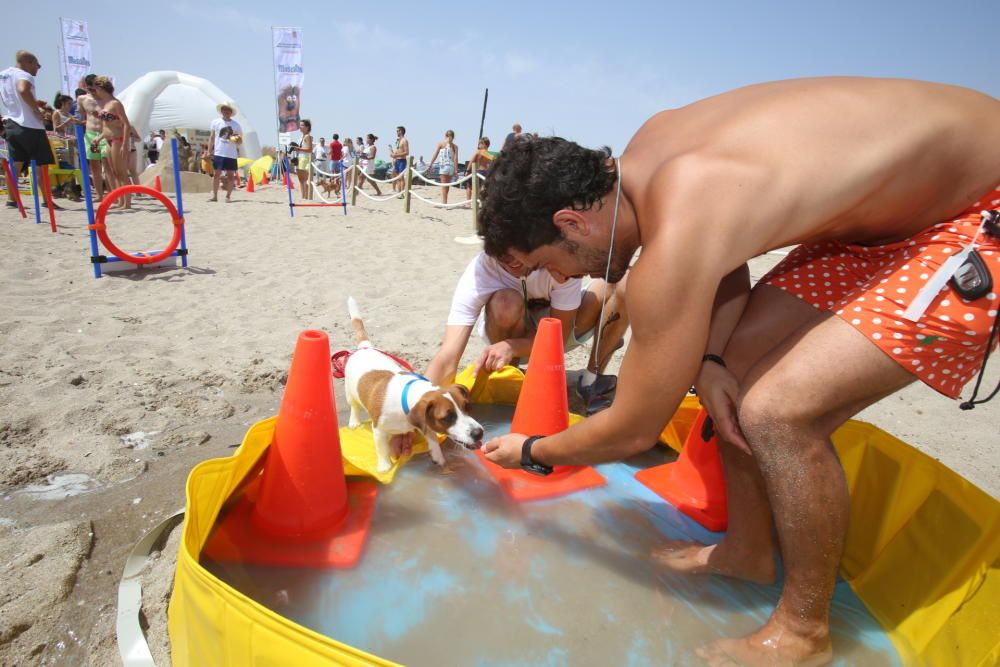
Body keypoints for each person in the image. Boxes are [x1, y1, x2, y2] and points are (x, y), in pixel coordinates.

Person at [476, 77, 1000, 666]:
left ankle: (805, 633)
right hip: (885, 227)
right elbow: (719, 252)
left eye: (555, 264)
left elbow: (633, 429)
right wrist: (714, 359)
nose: (568, 282)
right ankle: (748, 552)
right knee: (732, 379)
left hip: (981, 212)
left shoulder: (678, 235)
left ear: (572, 221)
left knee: (778, 413)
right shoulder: (650, 157)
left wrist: (534, 451)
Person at [426, 250, 629, 416]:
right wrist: (418, 403)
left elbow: (556, 339)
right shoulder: (480, 270)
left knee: (622, 282)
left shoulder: (558, 258)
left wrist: (512, 346)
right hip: (507, 334)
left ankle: (591, 381)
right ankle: (509, 378)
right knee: (505, 303)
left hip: (558, 332)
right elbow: (448, 355)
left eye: (517, 250)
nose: (513, 261)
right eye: (502, 253)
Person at [0, 51, 60, 209]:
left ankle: (12, 200)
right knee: (42, 165)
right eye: (37, 65)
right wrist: (36, 110)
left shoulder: (4, 75)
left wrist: (32, 103)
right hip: (30, 126)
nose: (38, 68)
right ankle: (47, 200)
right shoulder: (24, 76)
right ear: (28, 62)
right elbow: (22, 90)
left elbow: (15, 95)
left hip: (12, 123)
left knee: (15, 165)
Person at [89, 75, 133, 209]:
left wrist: (125, 144)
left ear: (101, 88)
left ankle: (127, 202)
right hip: (108, 139)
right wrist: (99, 137)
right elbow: (107, 127)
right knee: (114, 173)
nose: (95, 92)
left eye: (96, 89)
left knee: (121, 172)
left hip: (117, 140)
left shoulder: (115, 103)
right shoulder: (106, 104)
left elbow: (126, 124)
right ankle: (121, 200)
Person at [76, 74, 106, 201]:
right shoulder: (82, 99)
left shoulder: (105, 98)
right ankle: (99, 195)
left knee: (108, 165)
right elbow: (81, 114)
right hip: (91, 135)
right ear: (87, 86)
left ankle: (114, 193)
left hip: (105, 134)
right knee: (95, 166)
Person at [209, 101, 242, 203]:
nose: (226, 111)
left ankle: (228, 196)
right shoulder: (215, 122)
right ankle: (214, 196)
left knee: (231, 176)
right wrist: (209, 150)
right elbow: (212, 137)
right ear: (221, 111)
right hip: (219, 152)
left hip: (231, 154)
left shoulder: (236, 125)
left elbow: (240, 141)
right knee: (216, 174)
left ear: (231, 112)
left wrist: (236, 139)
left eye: (228, 110)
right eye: (224, 109)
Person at [424, 129, 458, 204]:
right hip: (451, 167)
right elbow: (455, 158)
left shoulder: (441, 144)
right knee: (447, 186)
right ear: (453, 137)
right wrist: (456, 170)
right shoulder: (455, 146)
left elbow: (435, 154)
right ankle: (445, 201)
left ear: (445, 135)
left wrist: (431, 164)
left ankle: (444, 202)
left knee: (443, 186)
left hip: (443, 166)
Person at [289, 119, 313, 197]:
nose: (300, 127)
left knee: (304, 180)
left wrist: (298, 149)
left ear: (307, 127)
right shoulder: (301, 137)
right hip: (300, 158)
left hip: (305, 158)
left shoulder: (307, 136)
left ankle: (306, 196)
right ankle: (303, 196)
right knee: (301, 180)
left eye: (302, 125)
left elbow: (310, 149)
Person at [465, 136, 494, 202]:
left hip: (477, 171)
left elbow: (471, 161)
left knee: (469, 186)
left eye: (480, 143)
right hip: (485, 172)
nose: (479, 145)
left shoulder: (478, 152)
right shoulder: (490, 154)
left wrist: (467, 171)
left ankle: (468, 203)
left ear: (484, 144)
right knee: (482, 188)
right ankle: (481, 202)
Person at [389, 125, 409, 192]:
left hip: (402, 160)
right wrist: (393, 153)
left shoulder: (404, 140)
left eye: (397, 131)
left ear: (401, 131)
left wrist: (396, 155)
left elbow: (407, 152)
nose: (396, 132)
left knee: (401, 177)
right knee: (397, 177)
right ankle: (399, 191)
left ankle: (402, 193)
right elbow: (398, 151)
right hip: (397, 160)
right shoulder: (399, 141)